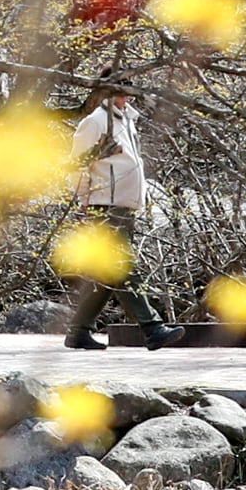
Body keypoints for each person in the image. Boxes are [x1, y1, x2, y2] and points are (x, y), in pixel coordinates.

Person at [62, 85, 183, 350]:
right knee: (123, 265)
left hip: (123, 207)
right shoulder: (93, 122)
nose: (127, 93)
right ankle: (152, 328)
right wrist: (87, 201)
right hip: (104, 207)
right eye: (121, 87)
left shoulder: (127, 119)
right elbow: (75, 165)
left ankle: (78, 331)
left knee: (106, 273)